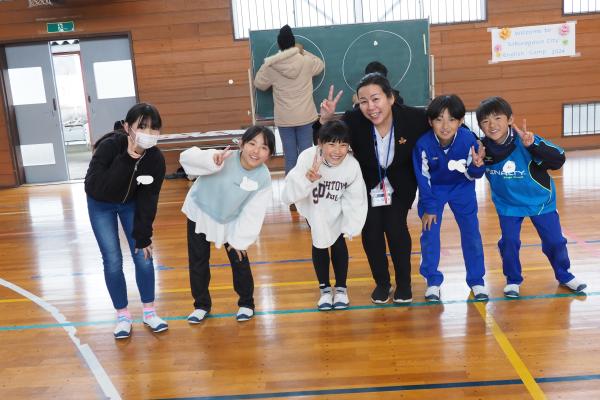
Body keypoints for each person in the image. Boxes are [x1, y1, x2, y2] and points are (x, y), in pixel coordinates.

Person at [316, 73, 430, 304]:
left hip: (401, 183)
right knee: (371, 231)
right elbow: (326, 140)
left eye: (376, 99)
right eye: (363, 101)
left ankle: (404, 283)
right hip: (366, 184)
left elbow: (444, 125)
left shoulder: (414, 118)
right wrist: (324, 121)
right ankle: (382, 283)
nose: (370, 107)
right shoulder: (353, 119)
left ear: (390, 98)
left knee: (395, 227)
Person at [476, 96, 587, 298]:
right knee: (509, 242)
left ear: (510, 119)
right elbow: (472, 173)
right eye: (485, 121)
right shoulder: (482, 149)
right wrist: (477, 164)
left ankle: (565, 275)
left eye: (498, 118)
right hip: (507, 205)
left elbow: (558, 159)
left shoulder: (526, 139)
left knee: (555, 241)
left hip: (540, 202)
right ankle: (513, 279)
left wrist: (534, 146)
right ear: (481, 127)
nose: (492, 125)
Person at [84, 103, 167, 339]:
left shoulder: (155, 160)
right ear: (127, 127)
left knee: (143, 254)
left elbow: (149, 199)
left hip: (130, 203)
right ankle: (122, 315)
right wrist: (127, 159)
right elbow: (96, 187)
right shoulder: (110, 147)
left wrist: (143, 236)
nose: (148, 134)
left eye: (154, 128)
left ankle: (149, 312)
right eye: (142, 127)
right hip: (100, 203)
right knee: (112, 259)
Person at [180, 126, 276, 323]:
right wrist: (209, 160)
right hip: (200, 211)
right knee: (198, 260)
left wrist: (240, 240)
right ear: (241, 144)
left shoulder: (263, 178)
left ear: (270, 154)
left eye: (264, 147)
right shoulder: (223, 157)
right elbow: (187, 158)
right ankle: (201, 305)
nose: (256, 151)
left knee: (239, 259)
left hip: (230, 219)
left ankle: (246, 303)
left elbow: (254, 212)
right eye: (252, 144)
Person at [282, 120, 367, 310]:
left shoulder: (352, 165)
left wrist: (351, 225)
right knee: (319, 242)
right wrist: (307, 179)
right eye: (332, 144)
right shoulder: (307, 157)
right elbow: (288, 194)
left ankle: (342, 289)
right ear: (320, 143)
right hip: (316, 208)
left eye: (343, 145)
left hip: (337, 209)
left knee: (338, 243)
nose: (337, 150)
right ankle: (325, 290)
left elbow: (356, 197)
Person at [412, 94, 488, 302]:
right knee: (430, 234)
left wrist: (477, 166)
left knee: (471, 233)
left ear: (460, 121)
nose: (445, 126)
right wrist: (428, 207)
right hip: (434, 191)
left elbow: (473, 174)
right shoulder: (423, 144)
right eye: (439, 119)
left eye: (452, 119)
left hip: (462, 188)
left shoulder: (468, 140)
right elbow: (423, 179)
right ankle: (433, 282)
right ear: (430, 121)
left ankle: (477, 280)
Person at [254, 24, 325, 177]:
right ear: (294, 44)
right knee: (306, 155)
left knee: (290, 157)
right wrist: (302, 51)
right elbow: (320, 65)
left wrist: (267, 63)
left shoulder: (272, 65)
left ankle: (292, 197)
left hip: (284, 119)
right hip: (306, 117)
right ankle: (308, 192)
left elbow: (259, 83)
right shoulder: (305, 61)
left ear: (279, 45)